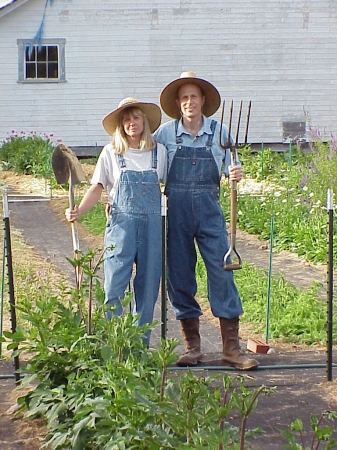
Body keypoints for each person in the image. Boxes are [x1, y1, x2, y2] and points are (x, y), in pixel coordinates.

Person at [154, 71, 259, 369]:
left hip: (210, 213)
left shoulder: (221, 132)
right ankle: (192, 348)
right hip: (176, 213)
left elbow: (231, 168)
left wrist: (236, 172)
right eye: (184, 97)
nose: (190, 102)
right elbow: (148, 166)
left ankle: (231, 349)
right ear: (177, 102)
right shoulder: (164, 134)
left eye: (194, 96)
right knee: (180, 276)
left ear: (203, 101)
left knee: (222, 272)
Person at [65, 97, 166, 347]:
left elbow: (169, 188)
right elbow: (97, 187)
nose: (132, 123)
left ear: (144, 121)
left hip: (153, 228)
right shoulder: (111, 152)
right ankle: (114, 345)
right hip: (122, 227)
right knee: (114, 286)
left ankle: (140, 346)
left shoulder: (159, 152)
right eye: (126, 119)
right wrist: (78, 211)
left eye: (136, 117)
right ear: (121, 125)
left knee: (148, 287)